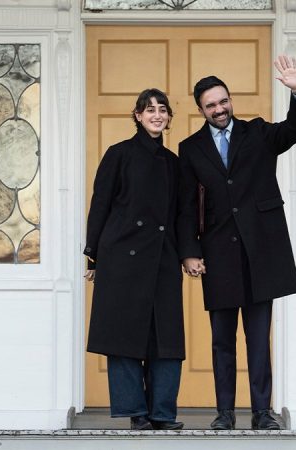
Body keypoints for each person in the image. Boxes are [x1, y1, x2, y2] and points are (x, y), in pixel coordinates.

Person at [177, 56, 296, 430]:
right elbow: (185, 206)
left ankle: (262, 413)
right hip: (217, 254)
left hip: (261, 252)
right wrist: (189, 251)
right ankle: (224, 413)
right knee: (222, 341)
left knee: (258, 339)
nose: (219, 109)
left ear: (230, 100)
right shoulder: (190, 149)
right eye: (211, 105)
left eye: (223, 101)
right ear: (201, 110)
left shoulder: (258, 133)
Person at [84, 88, 185, 431]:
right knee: (123, 336)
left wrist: (188, 253)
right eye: (150, 109)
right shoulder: (119, 154)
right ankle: (136, 412)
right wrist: (92, 255)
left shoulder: (173, 163)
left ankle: (162, 412)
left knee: (166, 337)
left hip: (163, 258)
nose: (157, 115)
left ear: (168, 117)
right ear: (138, 116)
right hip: (122, 258)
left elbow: (181, 214)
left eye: (162, 110)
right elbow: (100, 204)